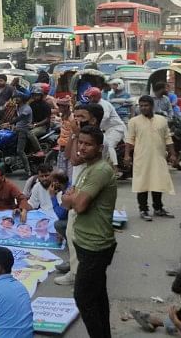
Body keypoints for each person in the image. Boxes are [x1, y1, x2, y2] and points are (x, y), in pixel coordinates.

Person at [61, 126, 117, 338]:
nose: (82, 148)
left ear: (99, 147)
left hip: (95, 245)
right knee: (98, 296)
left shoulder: (100, 170)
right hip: (86, 242)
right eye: (81, 142)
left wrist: (71, 198)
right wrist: (70, 198)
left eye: (88, 144)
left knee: (83, 298)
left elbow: (79, 204)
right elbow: (67, 202)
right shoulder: (88, 168)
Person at [124, 95, 177, 221]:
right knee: (142, 184)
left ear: (152, 106)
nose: (143, 108)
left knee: (157, 182)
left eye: (146, 105)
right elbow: (129, 140)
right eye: (141, 106)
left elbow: (168, 138)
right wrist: (127, 155)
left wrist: (173, 154)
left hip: (158, 157)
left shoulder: (162, 120)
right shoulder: (134, 121)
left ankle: (158, 208)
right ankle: (143, 210)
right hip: (142, 158)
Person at [85, 86, 128, 168]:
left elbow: (104, 117)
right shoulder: (93, 105)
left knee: (108, 145)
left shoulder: (103, 104)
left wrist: (95, 127)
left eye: (91, 97)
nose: (89, 99)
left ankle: (114, 167)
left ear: (96, 96)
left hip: (116, 128)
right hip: (107, 130)